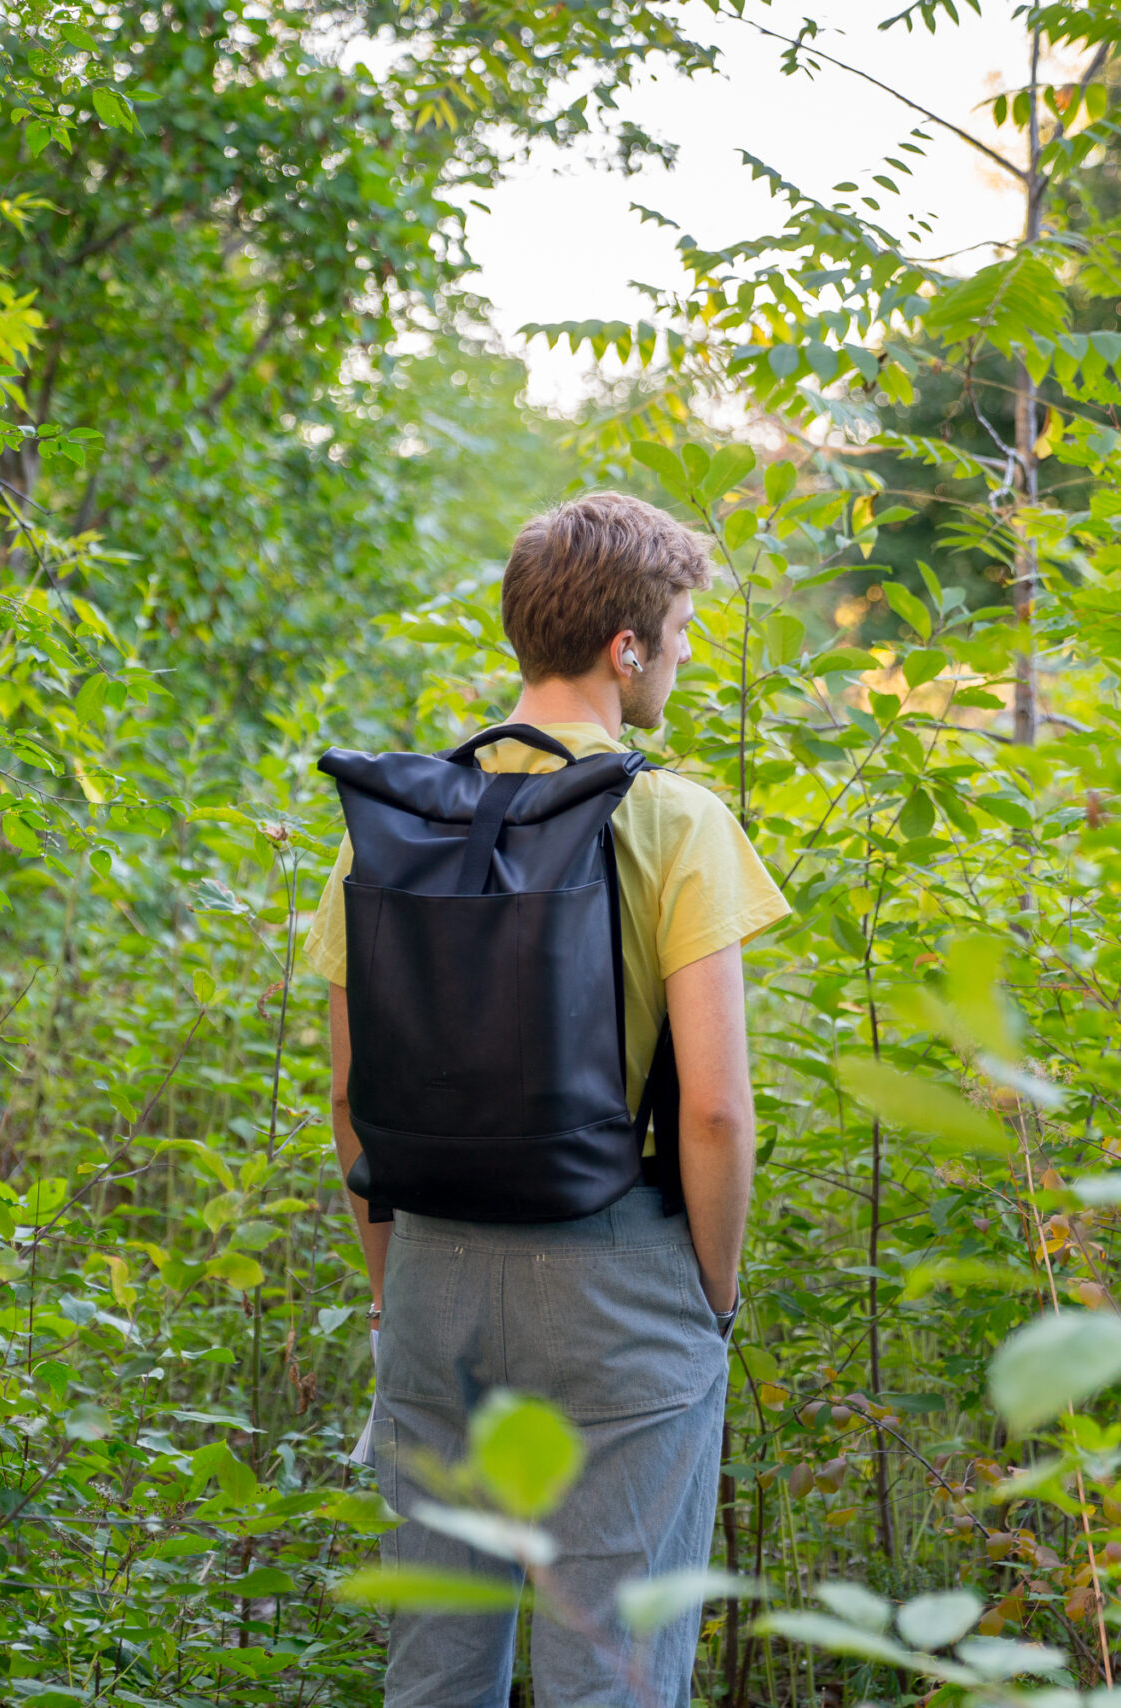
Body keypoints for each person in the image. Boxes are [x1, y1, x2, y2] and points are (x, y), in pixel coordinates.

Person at [302, 491, 788, 1707]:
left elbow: (354, 1098)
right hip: (618, 1280)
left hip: (430, 1276)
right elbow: (718, 1113)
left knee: (436, 1670)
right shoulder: (671, 817)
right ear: (625, 649)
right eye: (678, 630)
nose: (681, 655)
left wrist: (391, 1289)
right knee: (611, 1674)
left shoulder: (393, 823)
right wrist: (706, 1297)